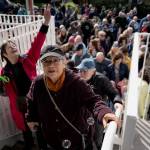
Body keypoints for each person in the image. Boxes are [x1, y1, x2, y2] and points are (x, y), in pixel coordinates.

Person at [26, 45, 119, 150]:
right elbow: (31, 100)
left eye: (55, 60)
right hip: (52, 142)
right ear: (42, 64)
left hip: (78, 142)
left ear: (64, 62)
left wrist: (105, 113)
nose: (51, 65)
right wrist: (31, 117)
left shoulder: (76, 82)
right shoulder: (38, 83)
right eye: (46, 61)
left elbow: (93, 101)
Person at [0, 4, 51, 150]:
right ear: (4, 54)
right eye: (9, 45)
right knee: (27, 135)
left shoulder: (28, 60)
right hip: (20, 109)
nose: (13, 45)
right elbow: (2, 87)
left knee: (41, 133)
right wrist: (2, 82)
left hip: (36, 102)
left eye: (13, 43)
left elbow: (38, 42)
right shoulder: (4, 73)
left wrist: (46, 23)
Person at [77, 58, 123, 149]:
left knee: (98, 139)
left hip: (98, 114)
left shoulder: (101, 79)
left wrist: (117, 102)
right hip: (83, 114)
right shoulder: (78, 80)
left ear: (93, 71)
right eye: (80, 70)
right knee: (84, 139)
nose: (81, 73)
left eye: (84, 71)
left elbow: (113, 93)